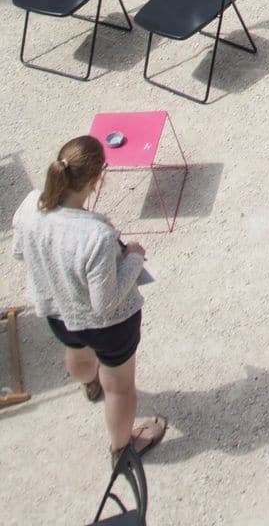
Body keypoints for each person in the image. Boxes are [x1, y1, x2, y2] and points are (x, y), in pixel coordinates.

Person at [11, 135, 166, 458]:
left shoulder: (29, 206)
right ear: (98, 178)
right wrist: (134, 256)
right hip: (109, 327)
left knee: (78, 354)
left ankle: (89, 385)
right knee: (120, 387)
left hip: (58, 311)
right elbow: (105, 303)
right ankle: (122, 448)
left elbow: (19, 253)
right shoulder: (96, 235)